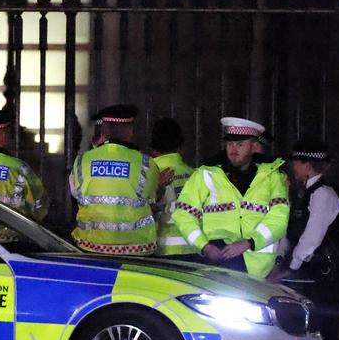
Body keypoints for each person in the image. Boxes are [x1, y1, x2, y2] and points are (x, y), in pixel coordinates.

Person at [268, 139, 339, 340]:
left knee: (327, 338)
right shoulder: (304, 194)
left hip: (325, 278)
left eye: (296, 162)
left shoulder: (323, 194)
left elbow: (310, 239)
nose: (293, 167)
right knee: (311, 336)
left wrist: (289, 266)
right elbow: (290, 234)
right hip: (311, 276)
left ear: (305, 165)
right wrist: (283, 262)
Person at [172, 117, 290, 277]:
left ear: (254, 146)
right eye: (229, 143)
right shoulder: (206, 173)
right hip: (219, 257)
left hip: (260, 266)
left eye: (240, 144)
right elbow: (183, 213)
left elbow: (279, 217)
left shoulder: (272, 176)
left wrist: (249, 243)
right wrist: (204, 246)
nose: (233, 149)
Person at [69, 104, 159, 255]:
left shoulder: (82, 160)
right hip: (135, 248)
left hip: (89, 245)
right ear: (130, 131)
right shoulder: (146, 163)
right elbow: (152, 199)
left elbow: (75, 193)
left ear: (103, 130)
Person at [150, 117, 195, 257]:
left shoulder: (147, 174)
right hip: (194, 250)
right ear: (181, 146)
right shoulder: (195, 175)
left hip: (161, 253)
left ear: (153, 147)